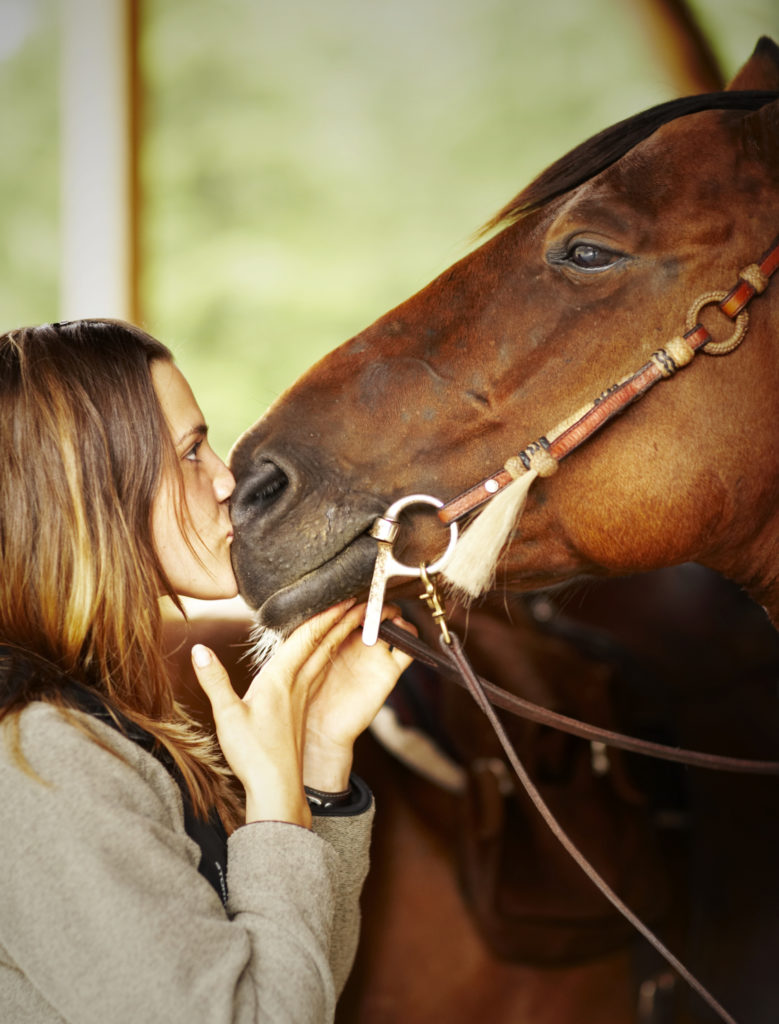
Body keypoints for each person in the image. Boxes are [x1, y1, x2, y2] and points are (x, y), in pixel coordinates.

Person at [0, 318, 413, 1023]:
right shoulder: (39, 755)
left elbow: (295, 992)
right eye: (191, 452)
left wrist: (313, 760)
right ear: (89, 487)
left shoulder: (87, 721)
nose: (226, 478)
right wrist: (273, 793)